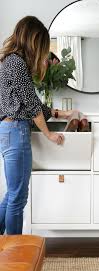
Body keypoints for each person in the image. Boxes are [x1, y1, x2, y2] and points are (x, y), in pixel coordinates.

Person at [0, 16, 81, 235]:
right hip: (16, 131)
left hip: (8, 130)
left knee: (12, 194)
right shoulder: (16, 63)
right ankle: (15, 252)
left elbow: (29, 103)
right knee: (18, 197)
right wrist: (49, 135)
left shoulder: (8, 61)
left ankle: (4, 246)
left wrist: (58, 113)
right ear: (33, 40)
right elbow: (32, 105)